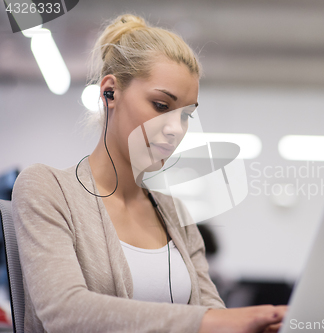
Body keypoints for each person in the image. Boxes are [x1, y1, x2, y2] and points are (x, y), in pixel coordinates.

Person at [11, 14, 286, 333]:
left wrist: (263, 323)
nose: (174, 129)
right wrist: (206, 322)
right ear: (110, 93)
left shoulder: (173, 212)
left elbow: (214, 313)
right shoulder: (46, 188)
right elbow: (65, 312)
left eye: (185, 116)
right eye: (160, 105)